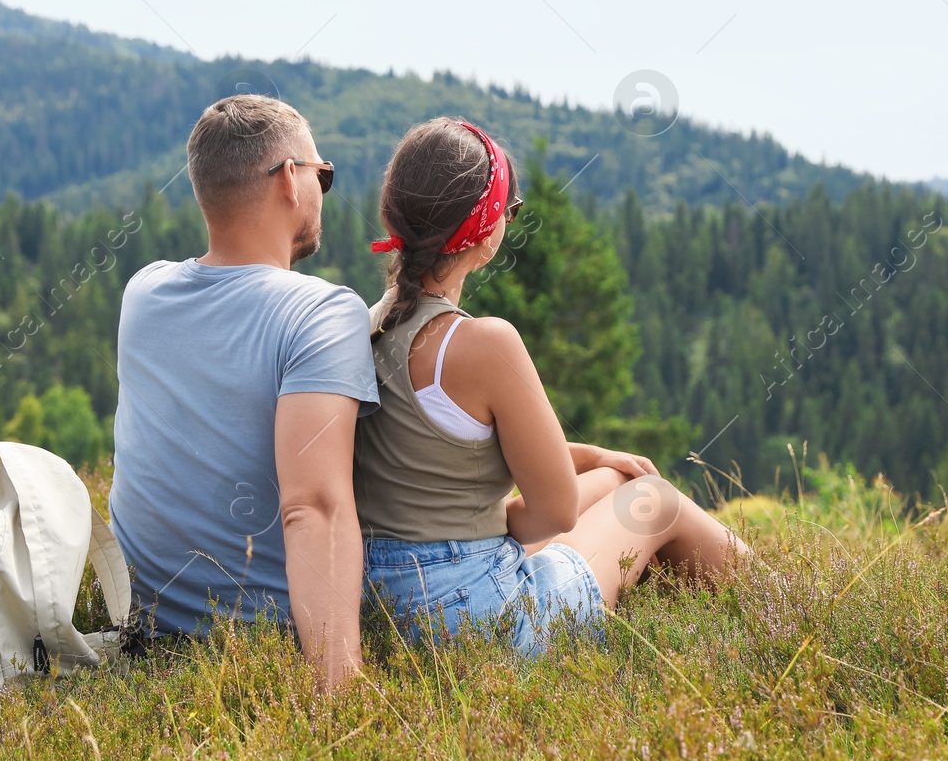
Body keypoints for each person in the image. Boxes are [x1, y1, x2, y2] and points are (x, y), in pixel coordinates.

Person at [354, 118, 751, 654]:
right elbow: (554, 513)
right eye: (509, 209)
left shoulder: (365, 325)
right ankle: (791, 609)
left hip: (383, 610)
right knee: (653, 500)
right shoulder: (483, 343)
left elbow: (441, 451)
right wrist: (516, 511)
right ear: (485, 229)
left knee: (617, 482)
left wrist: (595, 460)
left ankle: (691, 621)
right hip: (483, 623)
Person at [109, 94, 378, 689]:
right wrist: (342, 692)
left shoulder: (143, 292)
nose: (323, 189)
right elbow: (314, 507)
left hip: (141, 625)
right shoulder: (323, 312)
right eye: (322, 174)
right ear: (289, 178)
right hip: (259, 637)